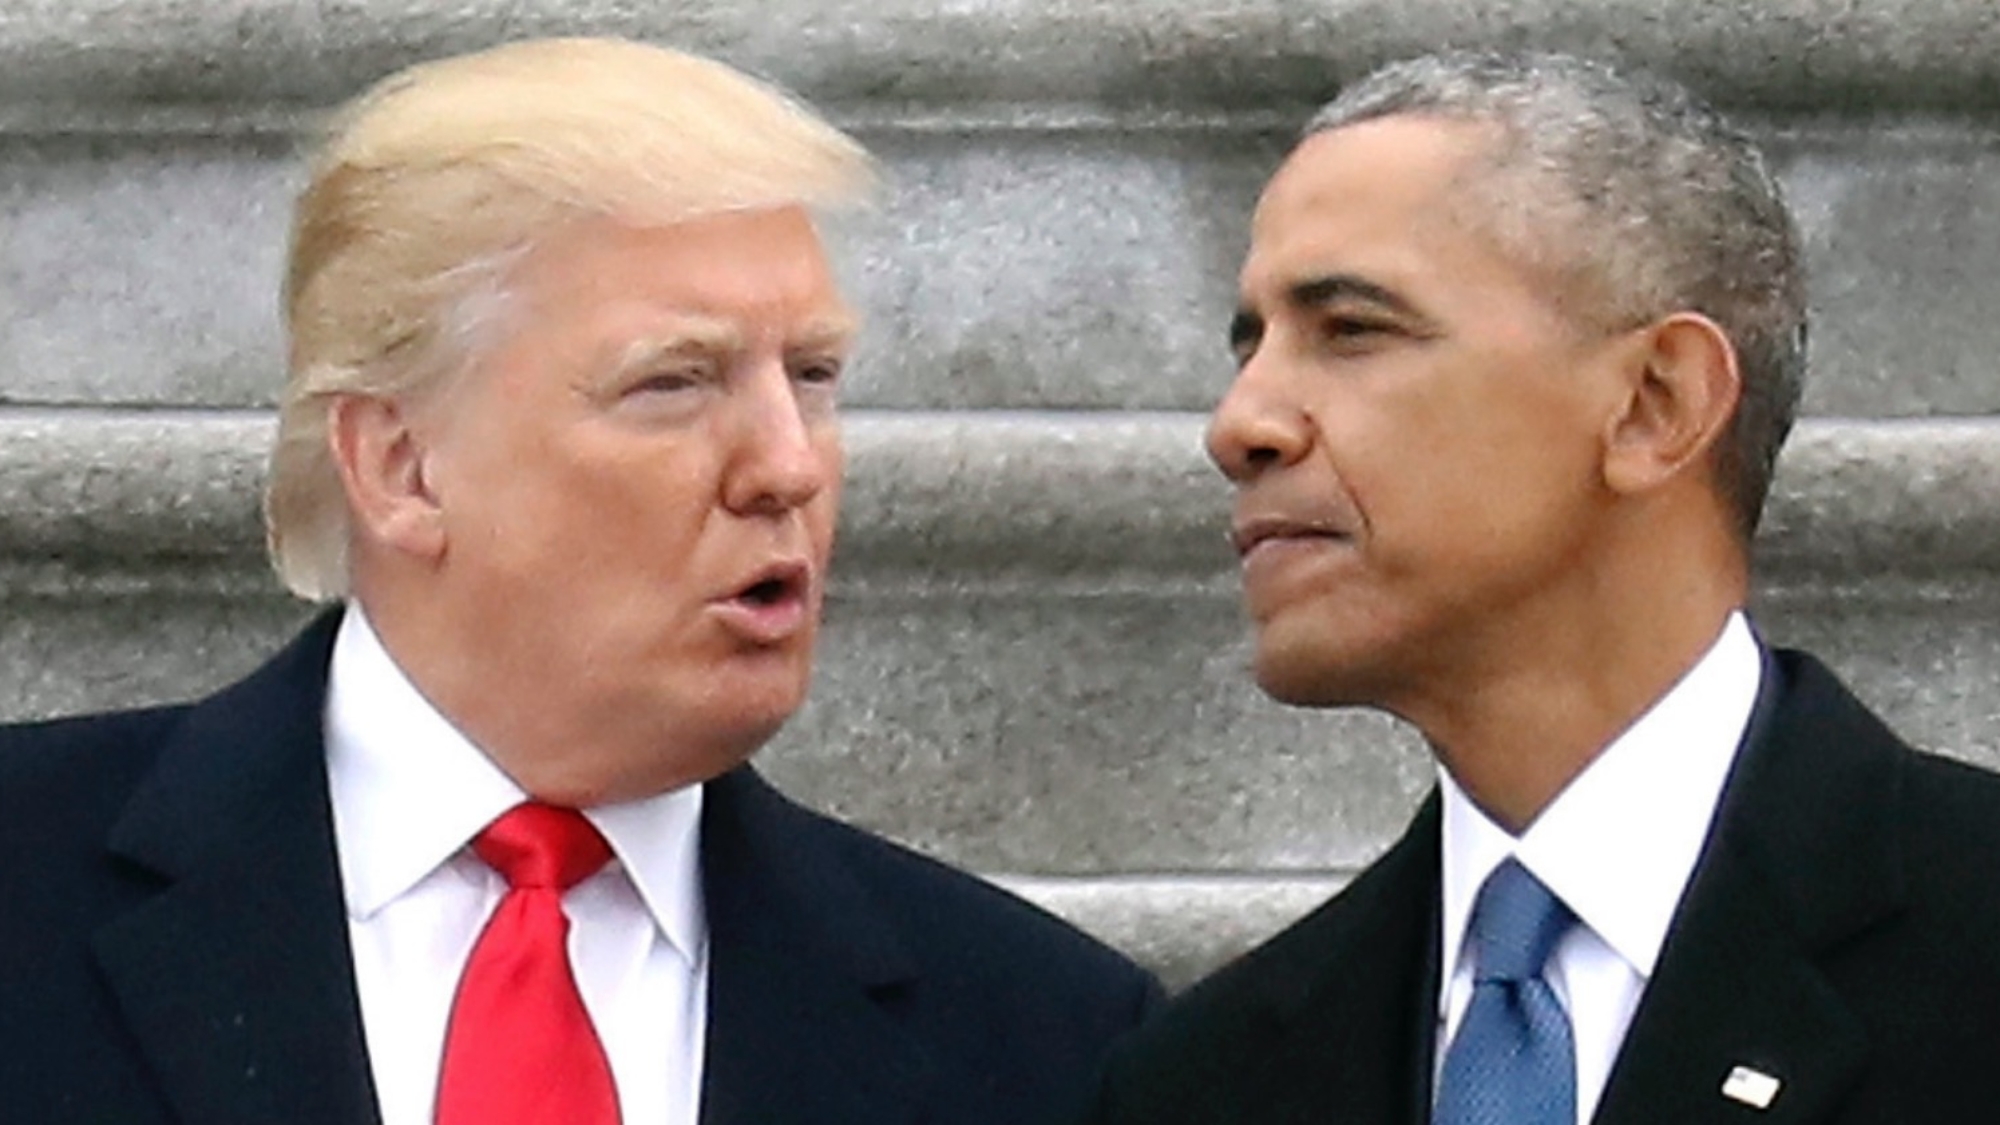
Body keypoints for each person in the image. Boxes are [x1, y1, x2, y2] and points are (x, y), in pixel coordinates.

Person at [0, 37, 1160, 1125]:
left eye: (811, 374)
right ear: (400, 465)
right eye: (674, 382)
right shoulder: (31, 882)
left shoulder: (1039, 1036)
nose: (789, 466)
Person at [1079, 50, 2000, 1125]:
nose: (1240, 424)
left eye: (1351, 332)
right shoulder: (1203, 1079)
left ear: (1654, 404)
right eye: (1250, 347)